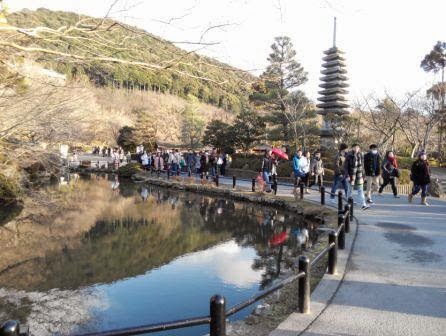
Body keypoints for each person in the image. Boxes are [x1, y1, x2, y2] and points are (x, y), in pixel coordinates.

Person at [345, 144, 369, 210]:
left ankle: (363, 204)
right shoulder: (349, 155)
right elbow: (346, 167)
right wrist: (347, 176)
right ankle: (348, 203)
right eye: (355, 148)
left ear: (359, 148)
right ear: (352, 148)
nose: (356, 149)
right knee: (350, 190)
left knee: (360, 190)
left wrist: (364, 176)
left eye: (357, 148)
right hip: (351, 175)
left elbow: (363, 166)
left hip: (359, 175)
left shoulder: (361, 155)